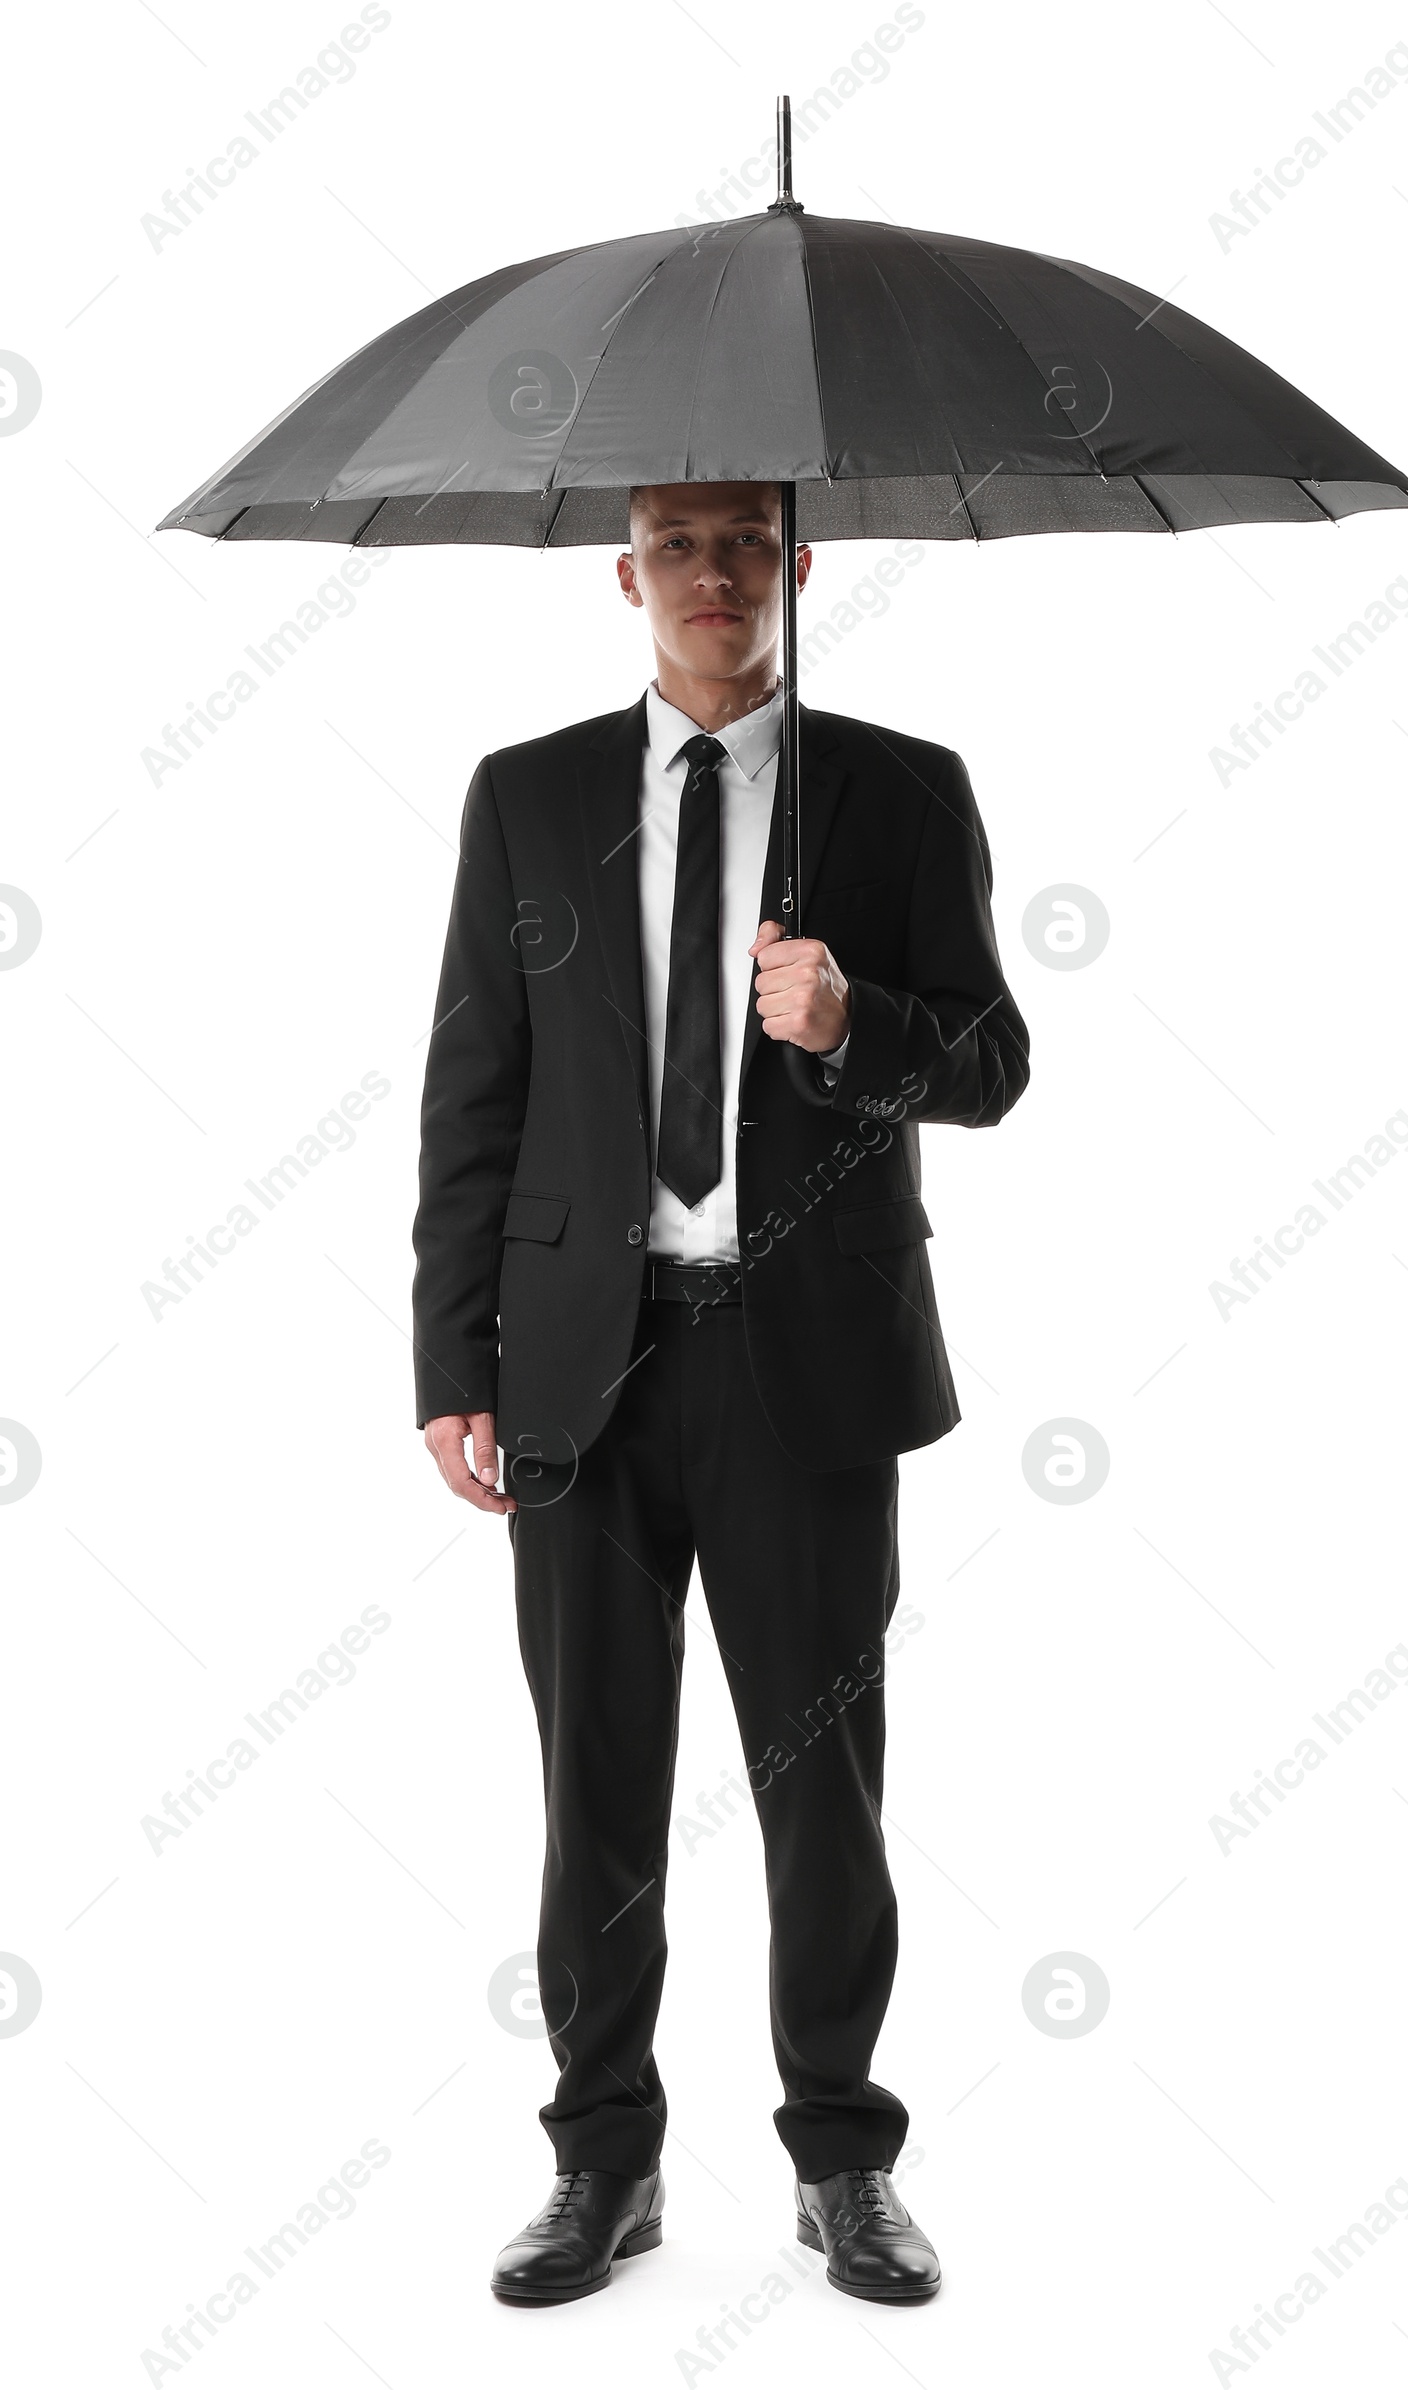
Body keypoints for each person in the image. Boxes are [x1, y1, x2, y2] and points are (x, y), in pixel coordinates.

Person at [412, 480, 1029, 2306]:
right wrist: (456, 1357)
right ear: (626, 573)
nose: (711, 574)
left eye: (744, 541)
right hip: (577, 1371)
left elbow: (995, 1062)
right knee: (592, 1777)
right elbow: (475, 1091)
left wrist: (856, 1029)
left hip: (808, 1372)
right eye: (676, 542)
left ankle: (843, 2155)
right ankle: (604, 2157)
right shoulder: (524, 797)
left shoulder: (900, 789)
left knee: (818, 1780)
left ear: (798, 563)